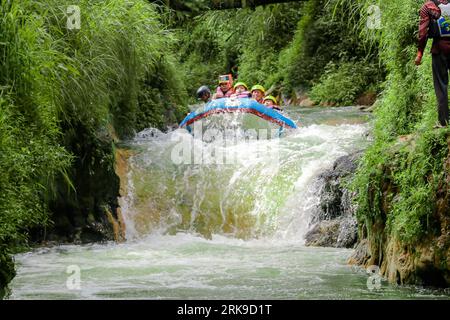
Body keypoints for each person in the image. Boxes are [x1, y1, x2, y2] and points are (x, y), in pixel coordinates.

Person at [415, 0, 450, 127]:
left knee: (441, 86)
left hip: (439, 49)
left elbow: (423, 32)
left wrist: (420, 52)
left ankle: (444, 122)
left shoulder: (428, 6)